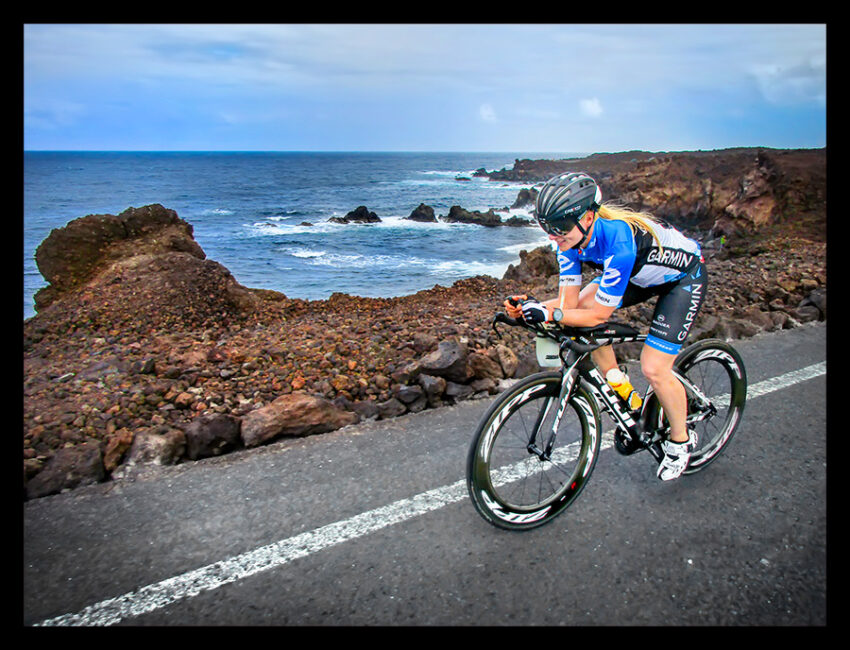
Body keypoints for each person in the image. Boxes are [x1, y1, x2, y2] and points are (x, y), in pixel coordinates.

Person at [505, 171, 707, 481]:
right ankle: (619, 385)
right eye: (547, 229)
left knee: (654, 368)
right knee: (581, 308)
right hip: (640, 277)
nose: (552, 237)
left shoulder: (619, 241)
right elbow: (569, 303)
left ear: (587, 217)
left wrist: (549, 314)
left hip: (683, 279)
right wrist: (530, 307)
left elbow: (598, 315)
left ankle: (680, 443)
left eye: (558, 229)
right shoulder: (568, 242)